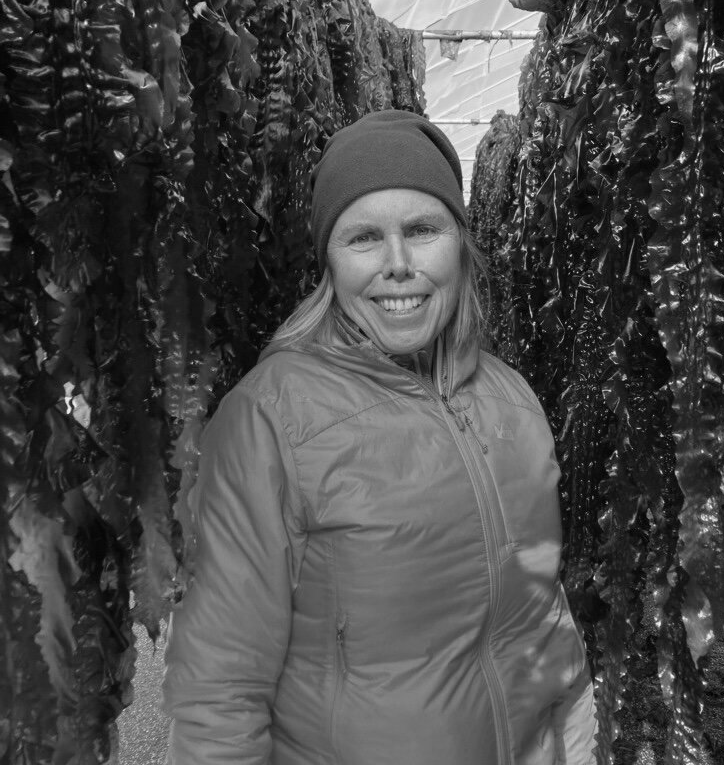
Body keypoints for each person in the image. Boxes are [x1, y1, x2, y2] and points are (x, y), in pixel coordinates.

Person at [161, 109, 597, 765]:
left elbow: (544, 620)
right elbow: (220, 687)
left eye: (422, 229)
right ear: (328, 262)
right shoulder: (270, 420)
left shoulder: (511, 397)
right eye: (363, 237)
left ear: (461, 242)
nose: (397, 265)